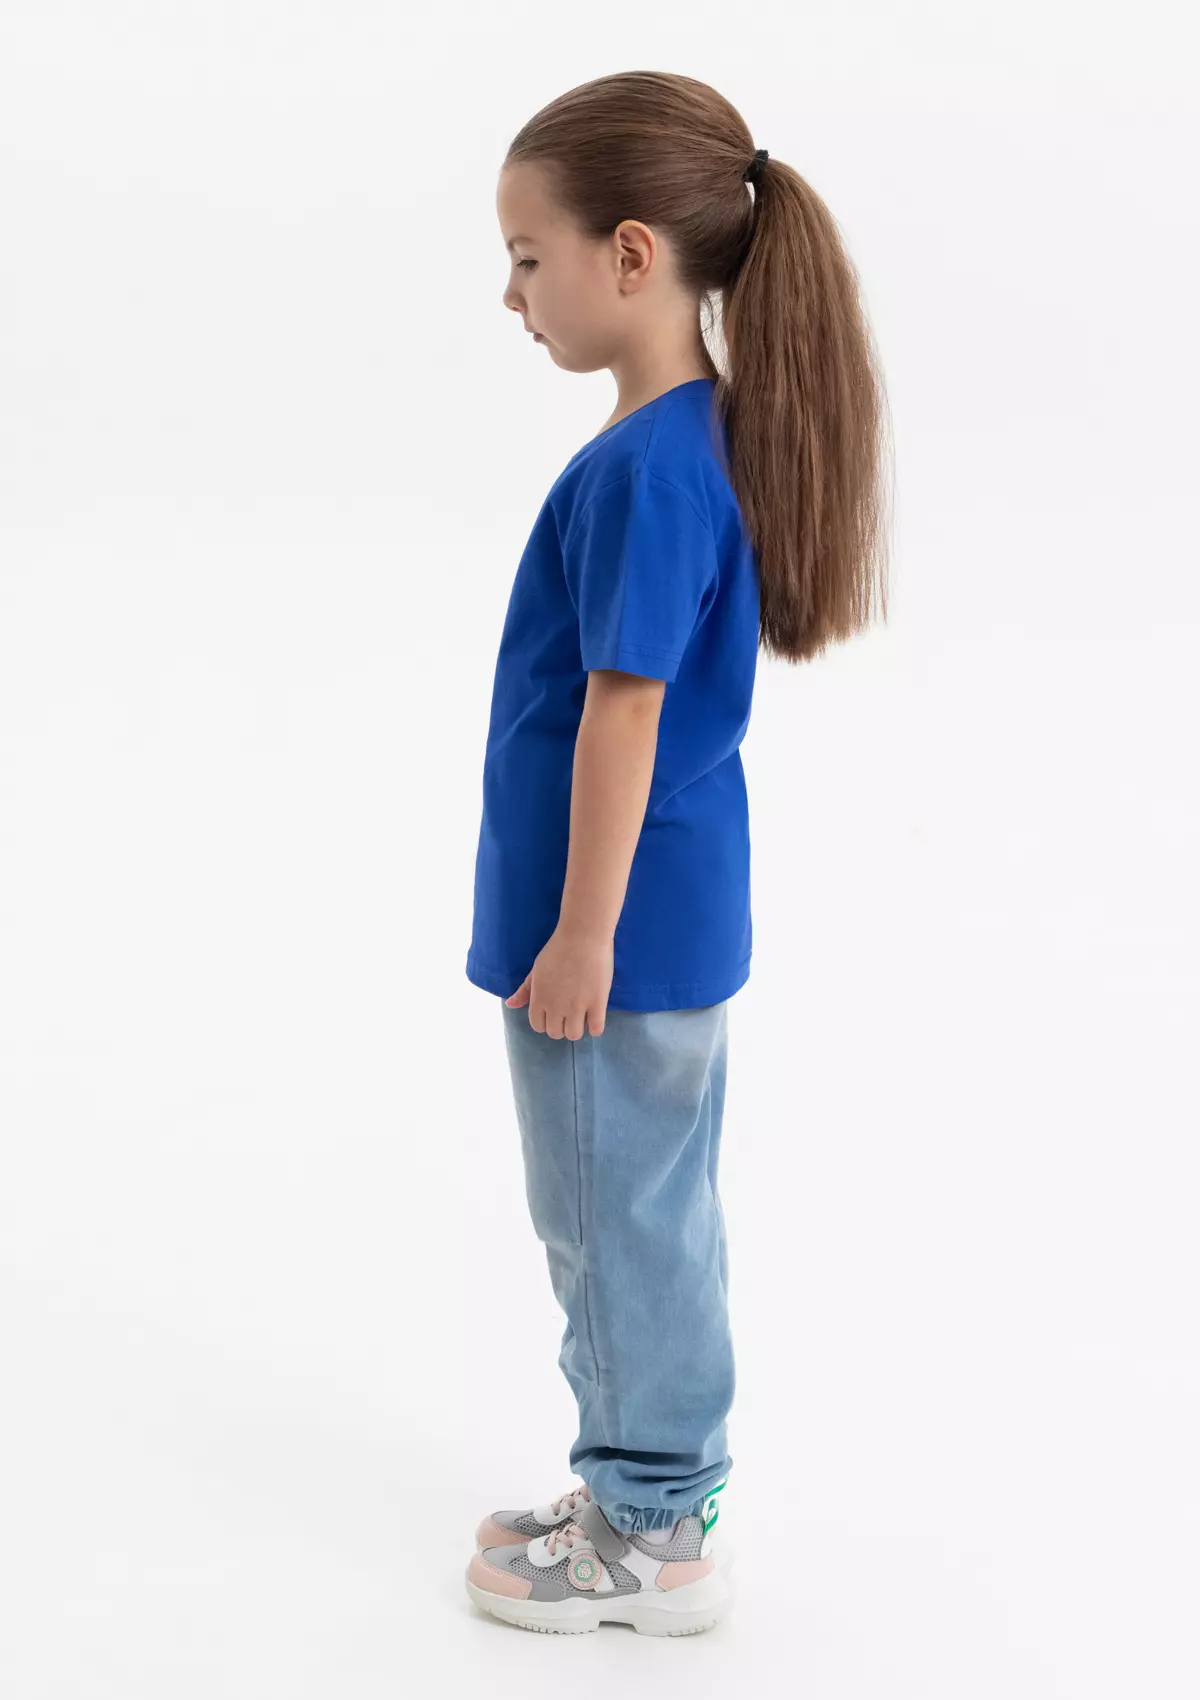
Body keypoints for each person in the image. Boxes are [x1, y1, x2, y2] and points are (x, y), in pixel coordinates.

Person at [463, 70, 891, 1636]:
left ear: (629, 255)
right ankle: (642, 1486)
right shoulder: (687, 439)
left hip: (616, 933)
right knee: (640, 1206)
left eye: (530, 256)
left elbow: (623, 714)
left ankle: (650, 1530)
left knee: (611, 1215)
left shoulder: (651, 468)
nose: (513, 293)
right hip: (659, 911)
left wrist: (581, 933)